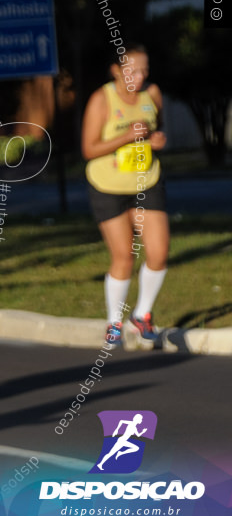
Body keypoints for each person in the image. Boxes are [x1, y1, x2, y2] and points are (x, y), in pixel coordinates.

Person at [82, 45, 168, 343]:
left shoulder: (152, 94)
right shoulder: (101, 99)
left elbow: (158, 131)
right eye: (132, 70)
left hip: (147, 181)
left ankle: (142, 315)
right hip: (109, 186)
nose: (140, 76)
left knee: (159, 253)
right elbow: (89, 149)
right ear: (116, 70)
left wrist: (156, 140)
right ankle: (114, 322)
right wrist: (126, 136)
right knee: (123, 257)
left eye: (144, 69)